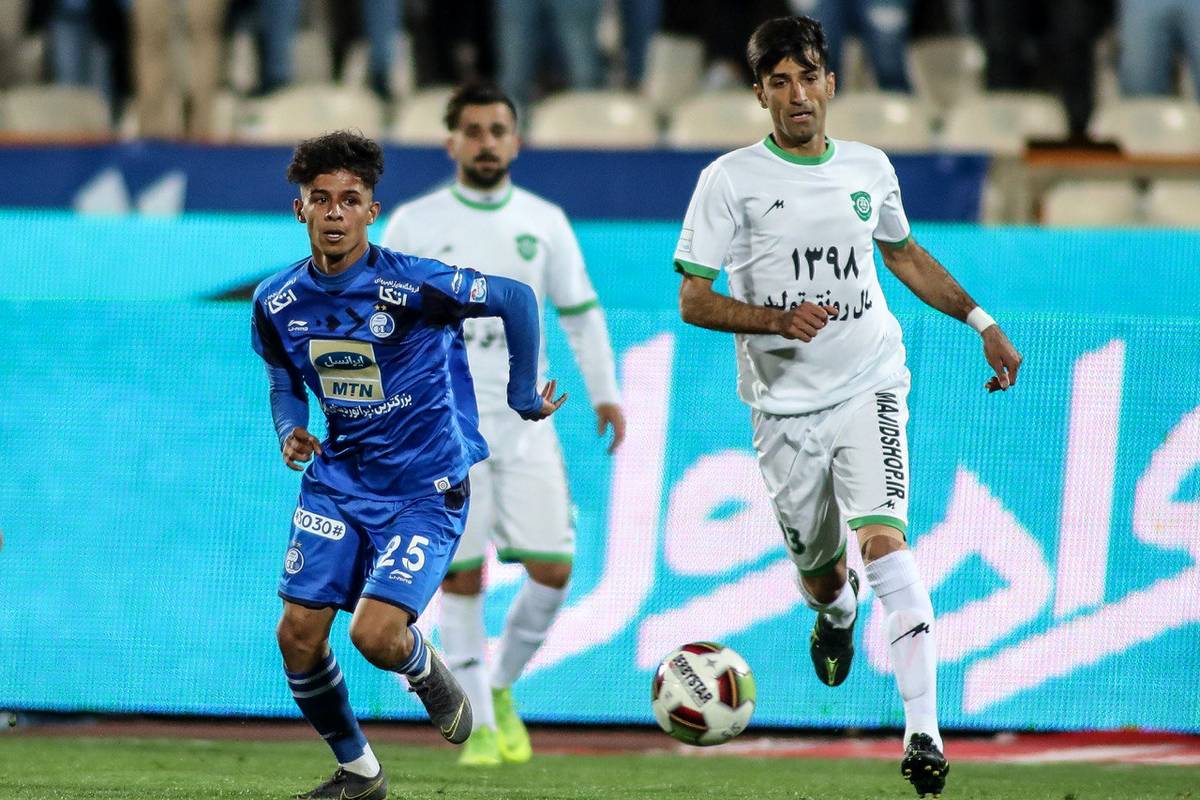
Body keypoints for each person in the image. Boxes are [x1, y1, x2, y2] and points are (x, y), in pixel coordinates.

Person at [672, 16, 1022, 799]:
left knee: (886, 543)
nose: (798, 95)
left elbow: (903, 254)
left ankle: (923, 733)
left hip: (871, 383)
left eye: (809, 78)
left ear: (831, 83)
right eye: (780, 82)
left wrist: (981, 322)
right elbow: (693, 298)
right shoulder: (730, 181)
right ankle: (836, 619)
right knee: (826, 580)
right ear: (760, 94)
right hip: (783, 411)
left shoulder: (869, 167)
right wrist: (774, 319)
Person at [251, 130, 566, 800]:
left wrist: (519, 394)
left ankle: (423, 666)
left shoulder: (413, 283)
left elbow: (515, 297)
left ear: (372, 211)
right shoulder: (277, 301)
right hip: (339, 480)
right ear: (300, 210)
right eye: (320, 199)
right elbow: (282, 376)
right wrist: (290, 429)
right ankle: (360, 773)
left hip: (425, 488)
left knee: (374, 635)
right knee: (297, 636)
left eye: (350, 200)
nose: (335, 212)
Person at [381, 83, 625, 767]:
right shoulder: (414, 222)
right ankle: (481, 727)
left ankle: (500, 685)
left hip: (525, 426)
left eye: (497, 131)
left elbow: (579, 311)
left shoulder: (544, 221)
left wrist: (605, 393)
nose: (486, 142)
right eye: (473, 131)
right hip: (442, 432)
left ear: (515, 142)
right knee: (461, 579)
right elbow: (382, 322)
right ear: (450, 142)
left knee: (553, 569)